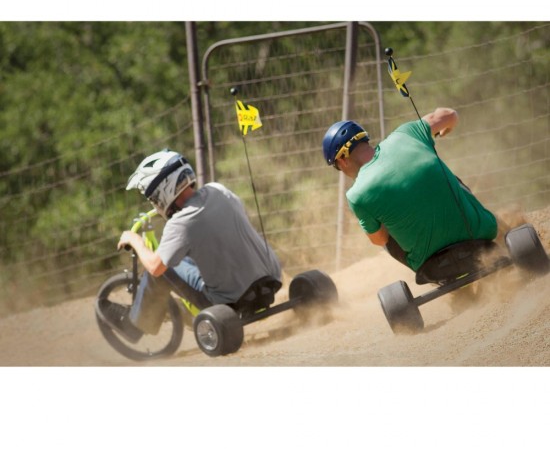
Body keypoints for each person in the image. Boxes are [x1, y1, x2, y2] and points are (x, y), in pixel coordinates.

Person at [98, 149, 282, 342]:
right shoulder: (219, 190)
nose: (155, 205)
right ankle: (183, 312)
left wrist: (135, 240)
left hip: (231, 302)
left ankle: (134, 325)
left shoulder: (180, 223)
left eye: (153, 199)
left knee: (162, 270)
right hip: (270, 281)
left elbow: (154, 267)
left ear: (163, 191)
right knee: (187, 256)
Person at [321, 108, 498, 273]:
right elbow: (450, 114)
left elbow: (379, 240)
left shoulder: (356, 195)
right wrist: (446, 129)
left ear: (342, 161)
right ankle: (499, 234)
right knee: (450, 179)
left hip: (432, 265)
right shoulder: (406, 134)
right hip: (481, 236)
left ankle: (448, 280)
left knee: (382, 231)